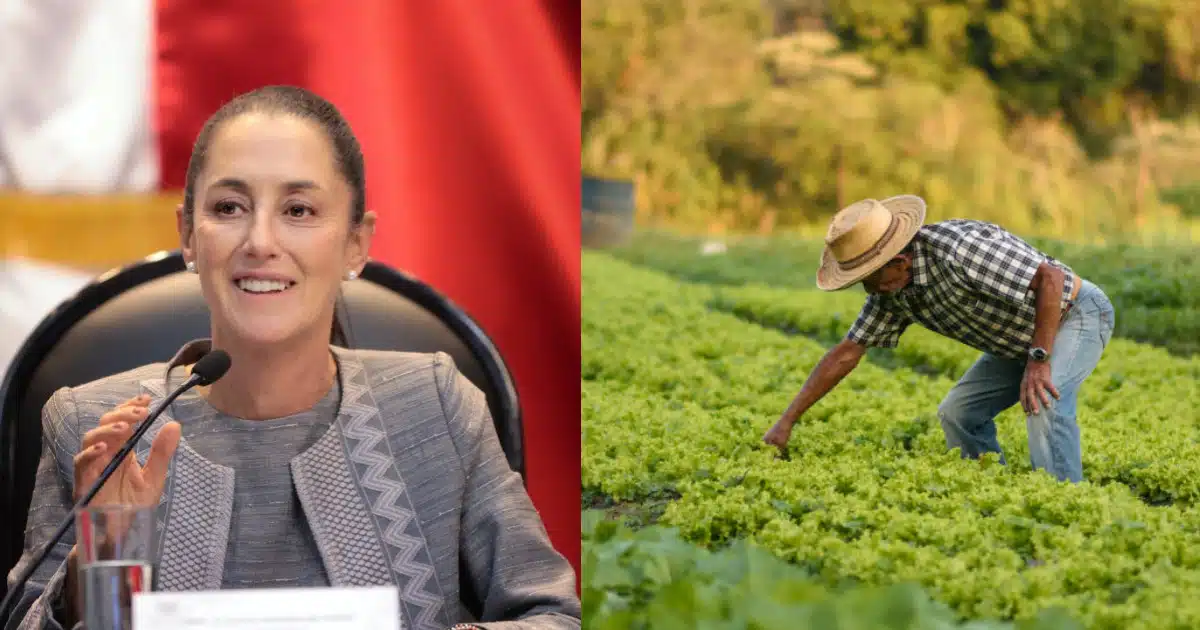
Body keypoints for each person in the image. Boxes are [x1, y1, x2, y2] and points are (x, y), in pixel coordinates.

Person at [4, 86, 581, 630]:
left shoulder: (435, 406)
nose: (260, 241)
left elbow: (554, 615)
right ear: (188, 235)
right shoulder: (92, 423)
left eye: (299, 211)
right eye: (229, 207)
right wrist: (110, 548)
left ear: (357, 242)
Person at [762, 195, 1115, 484]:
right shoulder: (892, 291)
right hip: (1016, 338)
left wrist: (1039, 360)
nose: (870, 290)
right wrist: (787, 421)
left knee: (1044, 401)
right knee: (958, 413)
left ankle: (1063, 505)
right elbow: (847, 352)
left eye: (871, 279)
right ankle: (990, 488)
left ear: (898, 261)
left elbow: (1051, 279)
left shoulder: (962, 250)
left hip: (1074, 314)